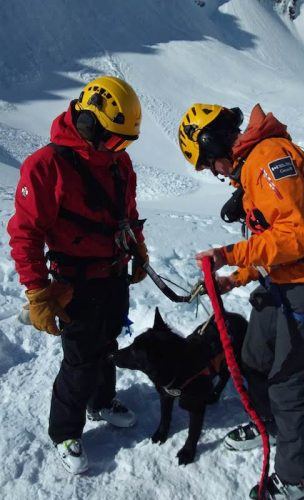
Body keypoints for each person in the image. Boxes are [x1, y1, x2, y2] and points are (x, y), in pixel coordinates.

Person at [178, 103, 304, 499]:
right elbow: (276, 246)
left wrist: (231, 254)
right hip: (283, 278)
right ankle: (268, 422)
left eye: (208, 164)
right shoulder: (253, 165)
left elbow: (301, 235)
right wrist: (235, 278)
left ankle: (294, 478)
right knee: (253, 358)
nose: (214, 173)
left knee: (287, 383)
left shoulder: (267, 159)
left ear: (213, 144)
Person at [7, 76, 148, 474]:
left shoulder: (118, 162)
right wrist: (37, 291)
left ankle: (101, 402)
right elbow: (25, 234)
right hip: (75, 281)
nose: (120, 150)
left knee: (108, 342)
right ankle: (65, 431)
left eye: (125, 143)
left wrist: (137, 246)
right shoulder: (46, 166)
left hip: (114, 271)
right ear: (89, 125)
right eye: (115, 140)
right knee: (81, 358)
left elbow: (128, 211)